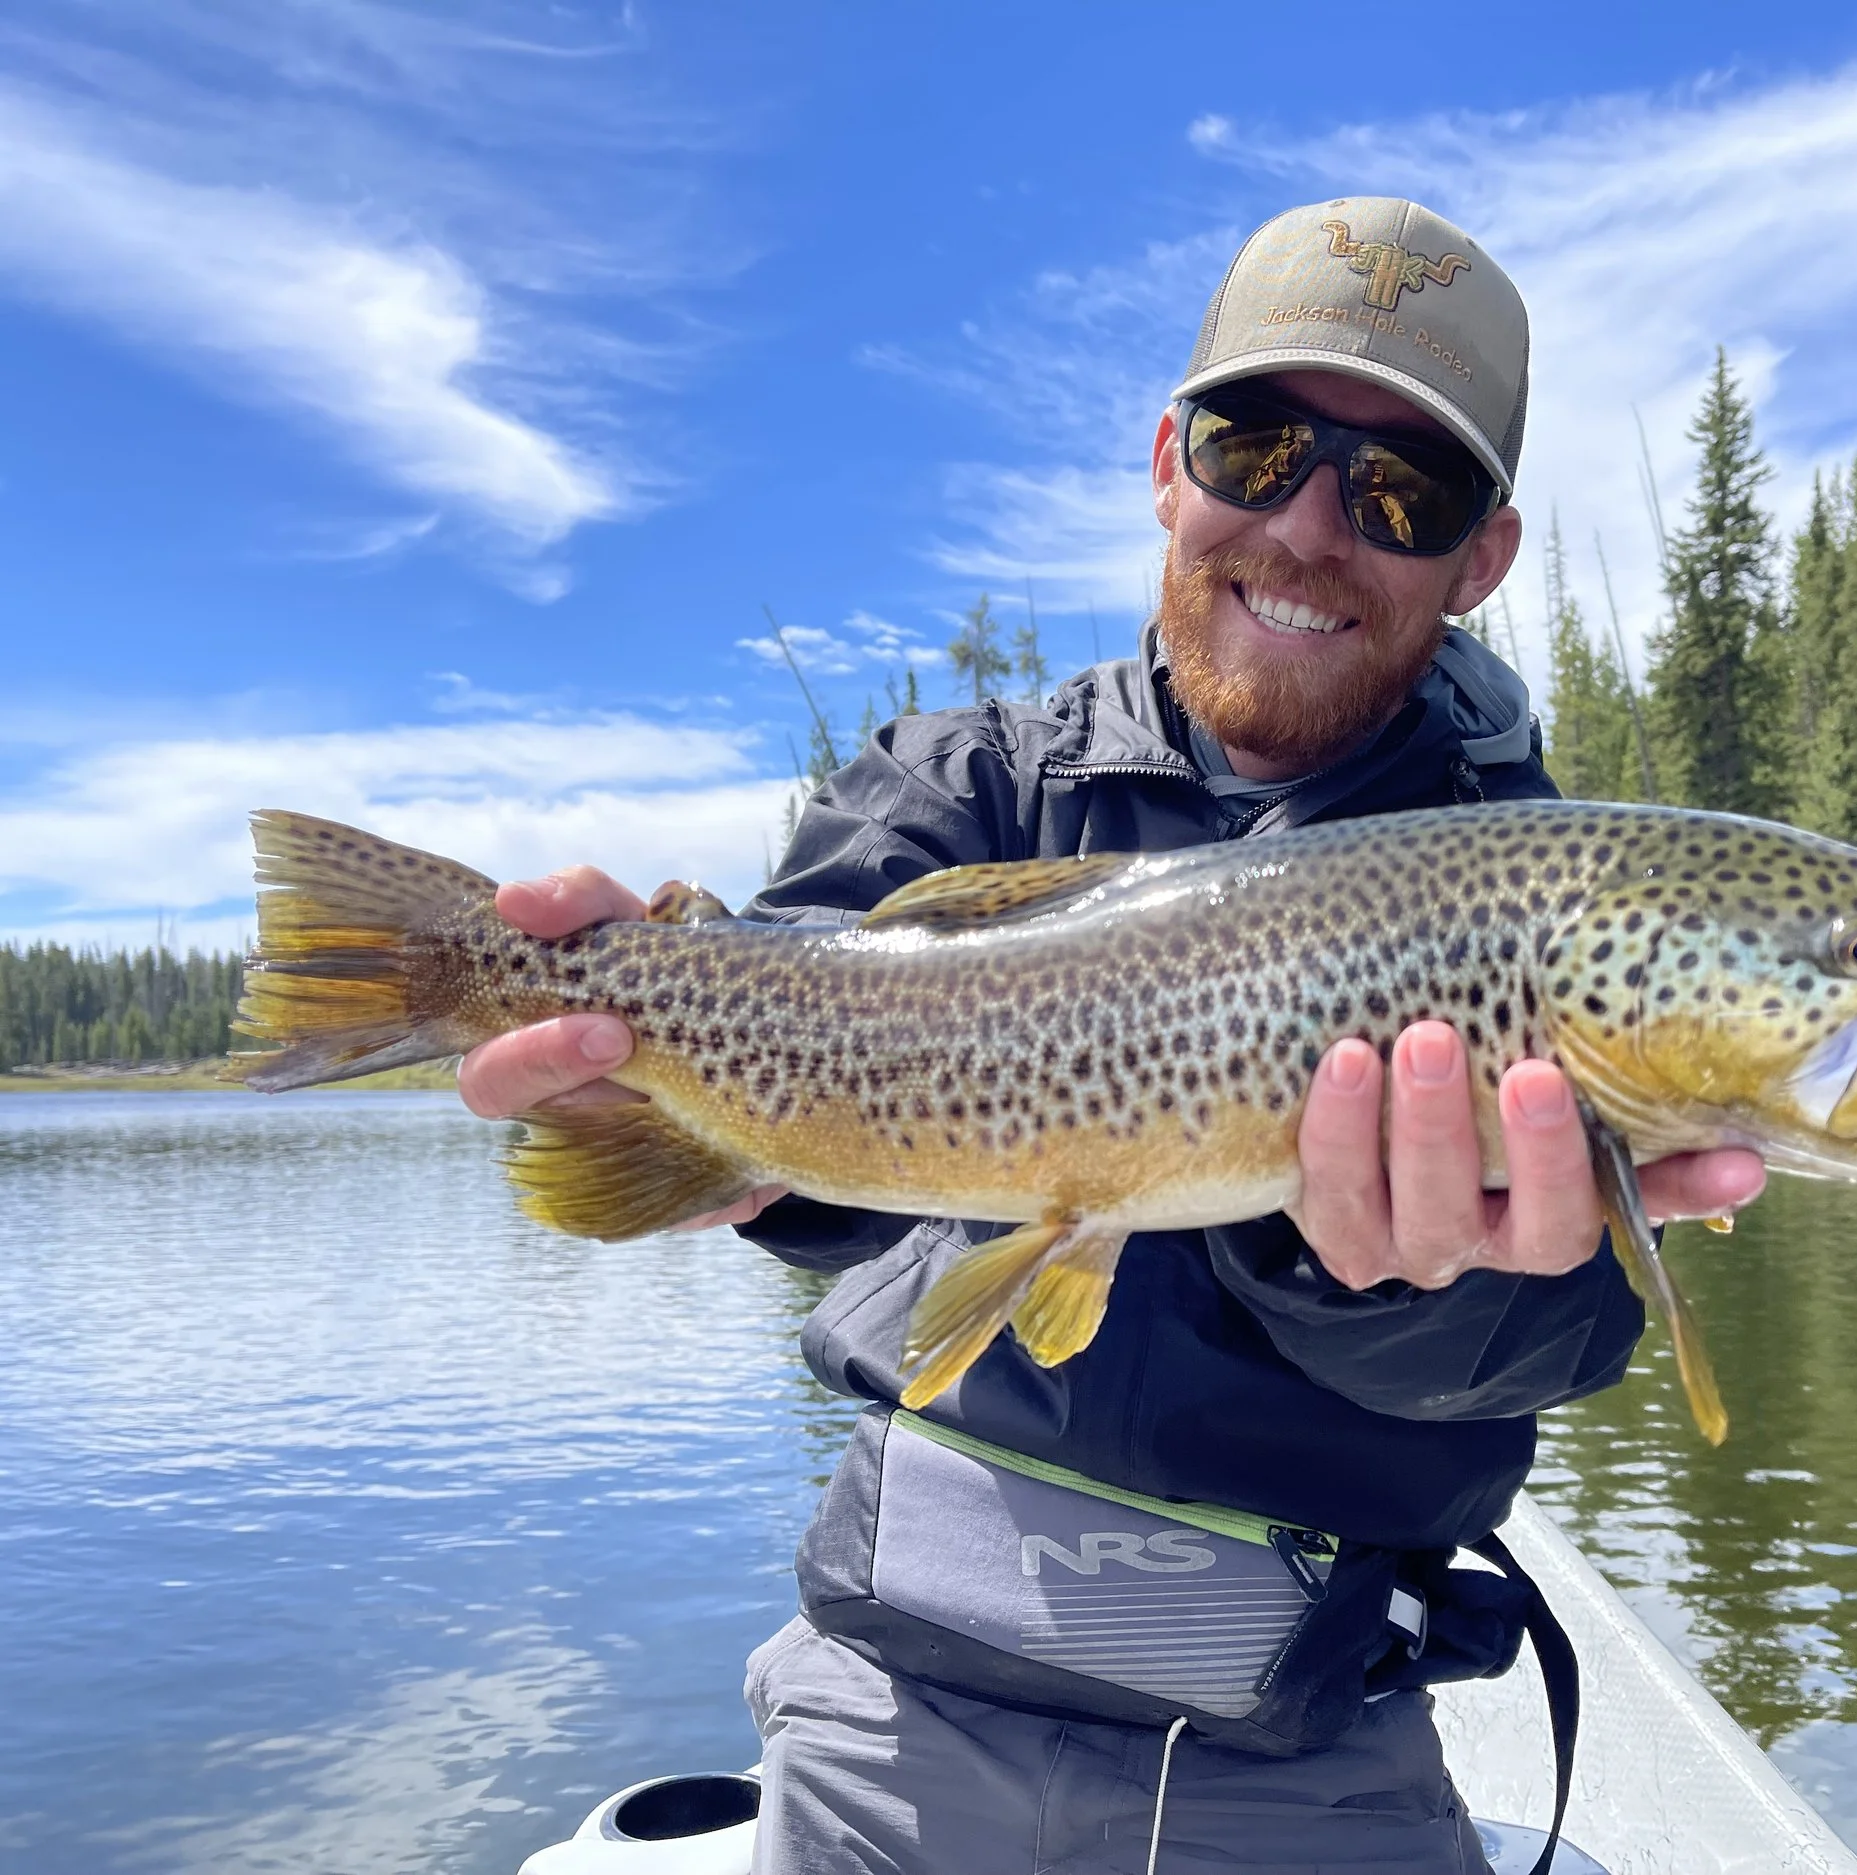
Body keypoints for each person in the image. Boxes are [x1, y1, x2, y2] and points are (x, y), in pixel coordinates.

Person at [460, 197, 1765, 1874]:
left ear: (1482, 558)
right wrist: (689, 1113)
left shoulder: (1545, 900)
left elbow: (1547, 1345)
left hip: (1307, 1754)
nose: (1309, 525)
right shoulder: (965, 785)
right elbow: (827, 1091)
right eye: (1256, 446)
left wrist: (1382, 1267)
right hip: (884, 1719)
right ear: (1170, 465)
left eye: (1401, 491)